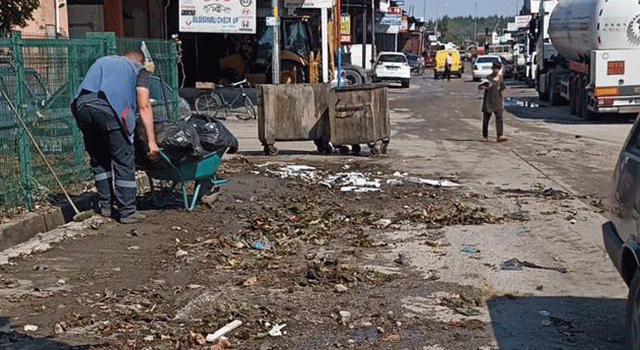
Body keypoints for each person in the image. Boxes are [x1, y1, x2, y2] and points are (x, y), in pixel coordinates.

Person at [71, 50, 159, 224]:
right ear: (140, 61)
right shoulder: (138, 70)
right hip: (108, 110)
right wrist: (152, 141)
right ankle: (127, 212)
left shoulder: (102, 61)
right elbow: (144, 106)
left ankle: (105, 206)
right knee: (123, 159)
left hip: (82, 107)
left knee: (99, 159)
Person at [479, 61, 507, 142]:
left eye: (498, 69)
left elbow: (502, 90)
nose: (496, 70)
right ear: (492, 68)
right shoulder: (488, 78)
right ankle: (485, 135)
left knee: (499, 119)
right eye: (495, 68)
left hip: (497, 101)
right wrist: (486, 86)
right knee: (486, 120)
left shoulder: (500, 80)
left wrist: (503, 101)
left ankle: (499, 135)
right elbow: (480, 86)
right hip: (488, 101)